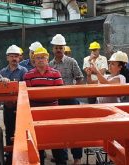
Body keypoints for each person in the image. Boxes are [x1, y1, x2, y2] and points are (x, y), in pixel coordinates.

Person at [24, 46, 63, 165]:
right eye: (38, 58)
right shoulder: (28, 75)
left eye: (43, 58)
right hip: (35, 113)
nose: (41, 60)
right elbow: (27, 95)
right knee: (38, 140)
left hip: (53, 112)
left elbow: (60, 92)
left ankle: (61, 162)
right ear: (34, 60)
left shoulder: (56, 73)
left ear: (47, 59)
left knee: (57, 140)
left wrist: (42, 95)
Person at [49, 34, 84, 165]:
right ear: (53, 49)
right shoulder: (50, 65)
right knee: (57, 129)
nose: (58, 50)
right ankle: (61, 158)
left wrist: (73, 92)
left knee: (74, 129)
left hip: (70, 100)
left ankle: (77, 158)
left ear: (64, 49)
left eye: (61, 48)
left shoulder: (71, 62)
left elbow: (80, 78)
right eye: (56, 47)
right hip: (56, 101)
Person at [0, 45, 28, 164]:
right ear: (7, 58)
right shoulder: (2, 72)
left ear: (19, 58)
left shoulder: (24, 71)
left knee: (21, 131)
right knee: (9, 131)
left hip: (20, 107)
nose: (14, 59)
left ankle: (22, 156)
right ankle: (10, 157)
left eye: (16, 56)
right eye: (12, 56)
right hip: (7, 107)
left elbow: (25, 89)